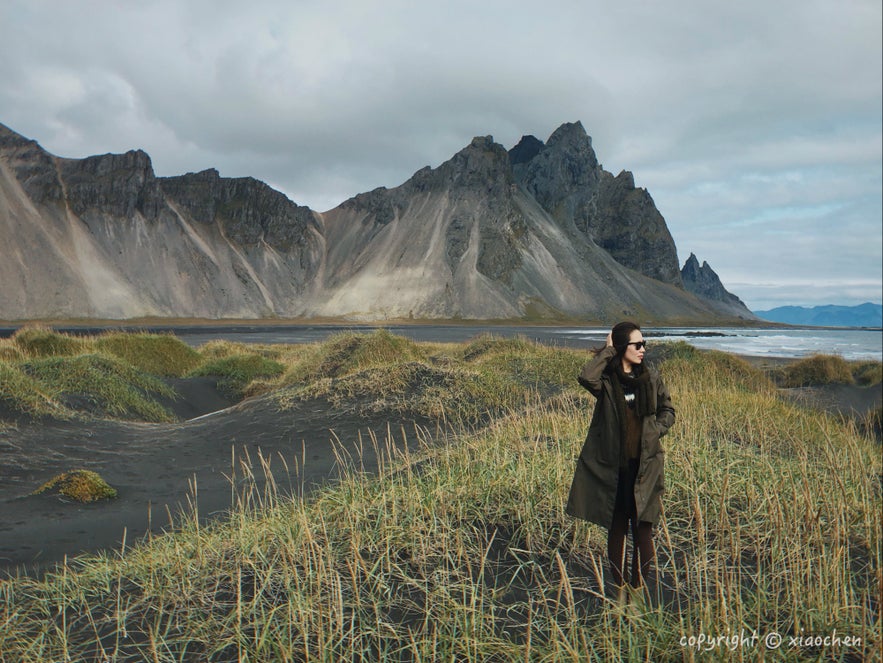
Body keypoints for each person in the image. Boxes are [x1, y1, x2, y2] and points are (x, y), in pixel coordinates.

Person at [565, 321, 675, 601]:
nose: (643, 350)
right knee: (616, 532)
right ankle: (619, 593)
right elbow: (585, 377)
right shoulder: (606, 381)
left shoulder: (651, 378)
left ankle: (637, 595)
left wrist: (654, 430)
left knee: (643, 533)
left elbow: (668, 411)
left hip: (646, 468)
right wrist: (608, 351)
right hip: (616, 471)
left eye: (644, 344)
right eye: (637, 345)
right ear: (622, 347)